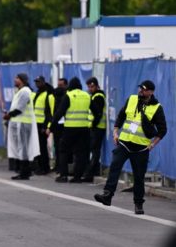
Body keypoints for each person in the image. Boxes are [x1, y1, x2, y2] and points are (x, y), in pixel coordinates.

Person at [94, 80, 167, 215]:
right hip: (124, 143)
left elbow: (163, 130)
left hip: (141, 148)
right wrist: (115, 133)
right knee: (114, 167)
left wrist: (152, 144)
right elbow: (121, 117)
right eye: (140, 88)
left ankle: (138, 204)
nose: (141, 91)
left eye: (144, 89)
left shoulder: (157, 107)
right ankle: (107, 195)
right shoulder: (132, 99)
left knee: (139, 177)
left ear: (151, 92)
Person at [52, 77, 90, 183]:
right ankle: (77, 177)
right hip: (84, 128)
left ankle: (63, 175)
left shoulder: (68, 95)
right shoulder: (87, 95)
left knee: (63, 150)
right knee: (80, 153)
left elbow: (60, 112)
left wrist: (52, 125)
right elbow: (95, 111)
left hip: (70, 128)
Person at [3, 73, 40, 180]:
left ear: (22, 80)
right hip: (19, 122)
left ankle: (25, 172)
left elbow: (20, 109)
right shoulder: (20, 92)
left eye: (17, 78)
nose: (15, 80)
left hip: (23, 123)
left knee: (23, 147)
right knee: (20, 147)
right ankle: (23, 170)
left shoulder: (25, 92)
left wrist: (8, 115)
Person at [82, 77, 106, 182]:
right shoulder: (95, 96)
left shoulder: (98, 96)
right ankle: (93, 171)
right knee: (94, 151)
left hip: (97, 127)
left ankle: (90, 174)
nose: (90, 89)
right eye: (88, 87)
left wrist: (93, 124)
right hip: (96, 127)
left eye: (92, 86)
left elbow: (98, 113)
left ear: (96, 86)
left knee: (94, 151)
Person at [32, 76, 54, 175]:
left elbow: (48, 112)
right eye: (36, 82)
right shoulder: (38, 93)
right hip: (36, 123)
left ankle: (45, 167)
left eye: (39, 82)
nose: (37, 84)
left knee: (42, 147)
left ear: (43, 82)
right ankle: (40, 166)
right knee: (38, 147)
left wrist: (45, 126)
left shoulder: (47, 94)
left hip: (42, 124)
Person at [48, 78, 68, 172]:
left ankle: (62, 167)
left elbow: (60, 112)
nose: (59, 87)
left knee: (63, 147)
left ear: (66, 85)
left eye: (61, 85)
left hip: (65, 124)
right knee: (57, 145)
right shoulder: (54, 96)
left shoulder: (67, 96)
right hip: (56, 124)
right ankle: (58, 165)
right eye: (58, 85)